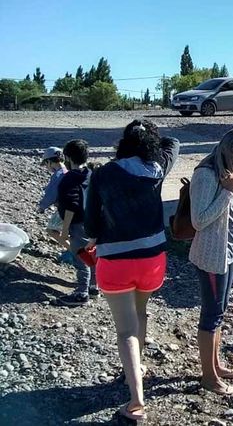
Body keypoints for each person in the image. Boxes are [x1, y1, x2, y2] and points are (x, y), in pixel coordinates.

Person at [84, 120, 180, 422]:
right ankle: (137, 368)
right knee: (141, 313)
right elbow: (173, 143)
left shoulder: (104, 174)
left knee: (124, 329)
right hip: (153, 256)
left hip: (116, 258)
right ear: (151, 144)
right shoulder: (158, 167)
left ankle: (136, 401)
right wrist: (151, 138)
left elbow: (90, 224)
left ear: (122, 143)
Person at [189, 128, 233, 396]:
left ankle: (215, 366)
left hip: (227, 253)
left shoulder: (231, 172)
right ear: (225, 150)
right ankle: (209, 377)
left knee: (220, 312)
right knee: (211, 314)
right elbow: (199, 221)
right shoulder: (206, 175)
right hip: (211, 256)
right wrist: (229, 192)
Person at [54, 139, 97, 306]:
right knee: (92, 255)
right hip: (93, 222)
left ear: (68, 158)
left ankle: (81, 293)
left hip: (78, 223)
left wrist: (65, 230)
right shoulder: (91, 174)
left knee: (81, 258)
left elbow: (71, 205)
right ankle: (94, 287)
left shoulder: (69, 178)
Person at [38, 146, 67, 241]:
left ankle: (75, 251)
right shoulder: (68, 170)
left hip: (65, 208)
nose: (46, 167)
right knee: (70, 231)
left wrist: (42, 207)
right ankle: (78, 250)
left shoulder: (58, 175)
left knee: (51, 229)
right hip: (77, 207)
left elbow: (51, 194)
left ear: (49, 162)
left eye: (46, 165)